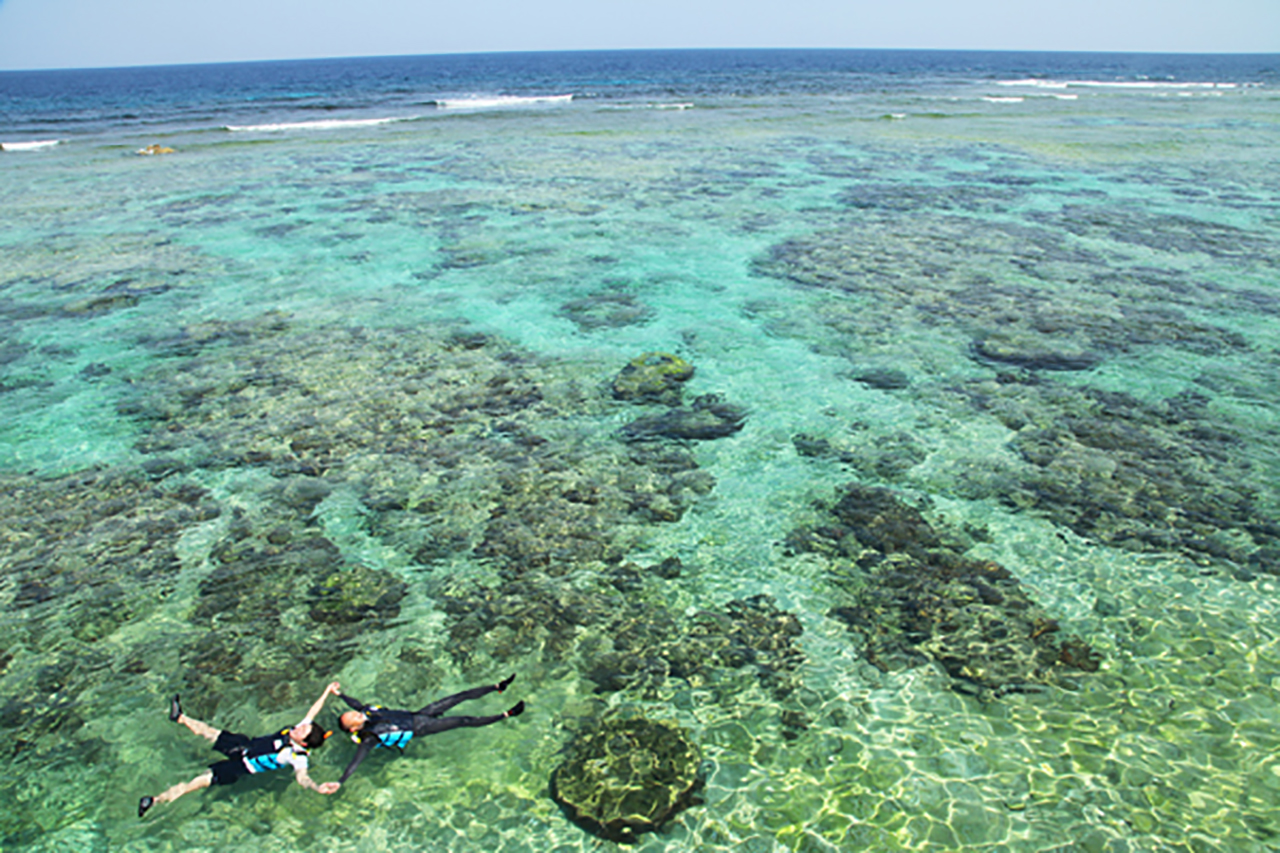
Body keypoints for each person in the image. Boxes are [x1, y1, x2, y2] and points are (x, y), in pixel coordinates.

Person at [138, 682, 343, 818]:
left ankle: (154, 800)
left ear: (304, 743)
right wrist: (327, 690)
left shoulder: (297, 757)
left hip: (240, 767)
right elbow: (313, 711)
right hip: (244, 745)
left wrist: (317, 787)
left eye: (302, 731)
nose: (298, 728)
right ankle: (179, 717)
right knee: (209, 732)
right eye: (301, 726)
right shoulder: (299, 731)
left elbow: (302, 778)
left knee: (197, 782)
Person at [333, 674, 524, 786]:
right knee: (463, 720)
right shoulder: (369, 739)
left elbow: (355, 703)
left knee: (460, 696)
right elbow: (355, 762)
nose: (360, 714)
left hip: (420, 714)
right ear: (355, 728)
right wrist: (341, 781)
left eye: (356, 713)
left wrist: (339, 693)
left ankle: (498, 687)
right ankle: (507, 714)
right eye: (356, 718)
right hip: (422, 727)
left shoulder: (366, 713)